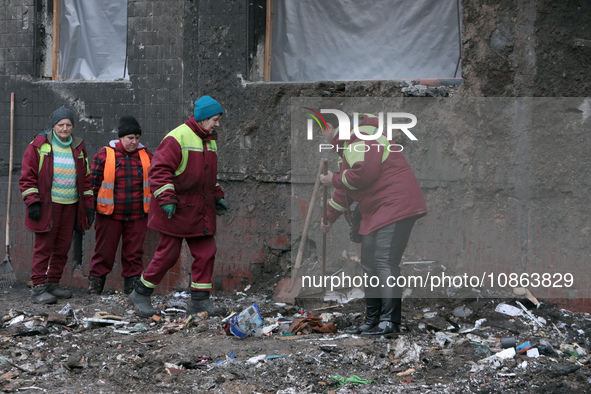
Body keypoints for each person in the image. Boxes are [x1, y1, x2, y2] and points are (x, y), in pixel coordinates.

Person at [319, 112, 428, 336]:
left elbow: (363, 175)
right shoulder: (350, 144)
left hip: (395, 205)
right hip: (380, 209)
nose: (322, 136)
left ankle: (389, 323)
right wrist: (328, 217)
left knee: (384, 261)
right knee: (369, 262)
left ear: (329, 126)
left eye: (321, 130)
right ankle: (372, 320)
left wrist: (334, 179)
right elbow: (345, 191)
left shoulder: (362, 137)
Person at [130, 96, 228, 318]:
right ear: (202, 119)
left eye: (218, 119)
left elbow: (207, 175)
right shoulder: (177, 137)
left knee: (206, 252)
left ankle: (200, 301)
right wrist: (166, 199)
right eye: (215, 119)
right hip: (175, 207)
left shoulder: (209, 140)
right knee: (168, 254)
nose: (217, 124)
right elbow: (158, 171)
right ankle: (141, 293)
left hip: (198, 208)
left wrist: (217, 195)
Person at [19, 106, 95, 304]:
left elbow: (86, 179)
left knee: (62, 247)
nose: (64, 128)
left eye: (68, 124)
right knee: (44, 247)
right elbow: (27, 177)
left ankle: (53, 283)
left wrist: (88, 205)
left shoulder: (78, 147)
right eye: (60, 125)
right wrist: (32, 201)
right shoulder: (38, 145)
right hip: (47, 206)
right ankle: (38, 288)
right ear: (53, 126)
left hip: (71, 205)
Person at [88, 116, 153, 295]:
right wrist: (89, 208)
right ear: (121, 137)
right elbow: (92, 183)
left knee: (134, 254)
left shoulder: (146, 156)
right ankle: (95, 289)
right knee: (104, 252)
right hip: (109, 215)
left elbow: (155, 181)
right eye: (130, 138)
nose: (134, 142)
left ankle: (131, 291)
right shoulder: (105, 154)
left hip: (137, 215)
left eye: (137, 138)